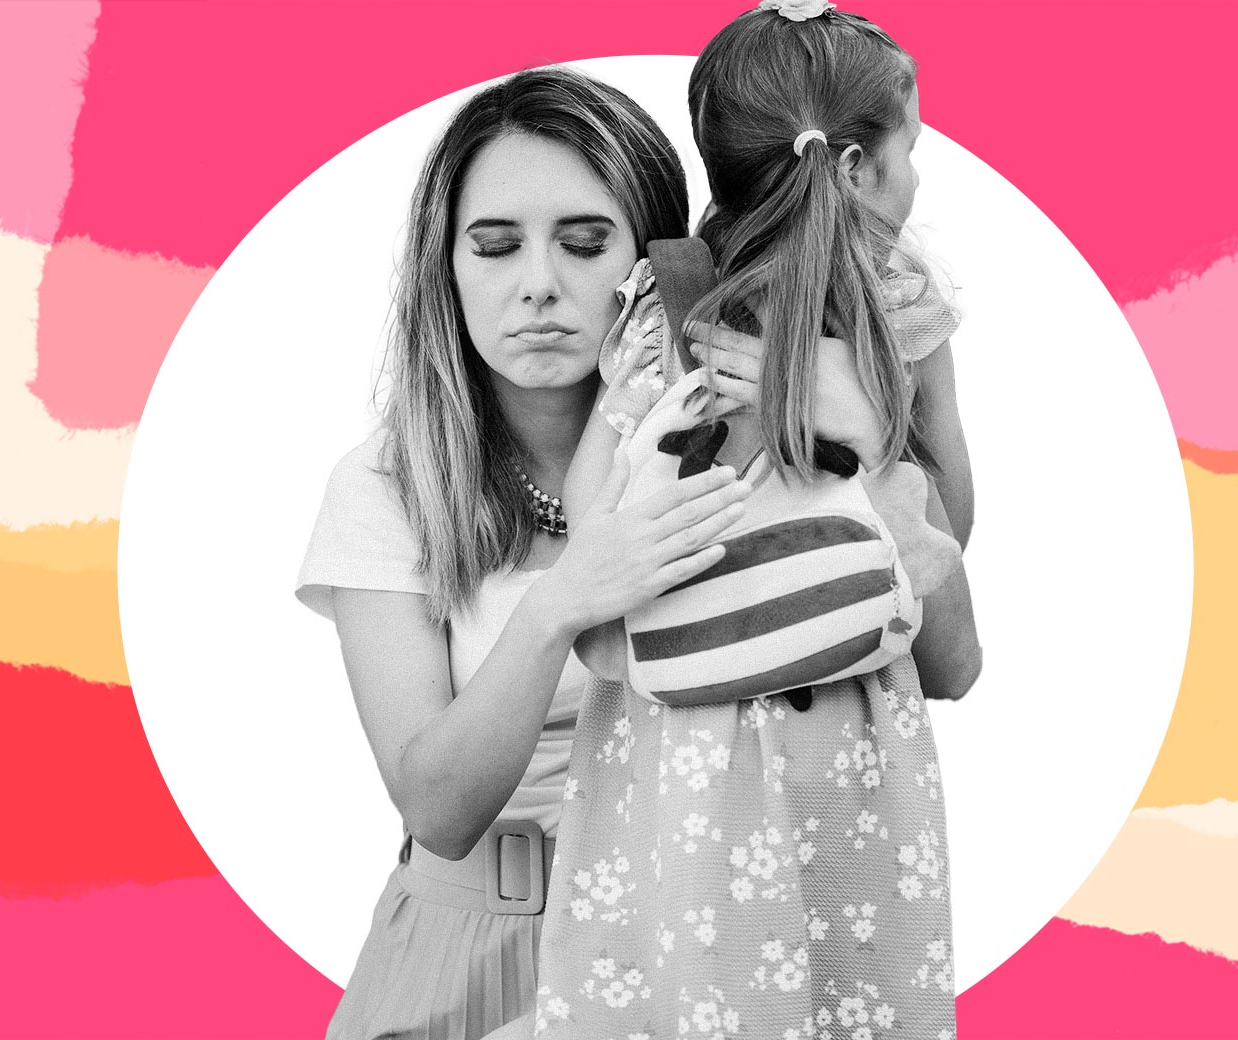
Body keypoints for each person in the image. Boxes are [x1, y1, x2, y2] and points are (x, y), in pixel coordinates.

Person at [523, 5, 979, 1038]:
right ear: (855, 168)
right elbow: (948, 535)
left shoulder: (662, 301)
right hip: (854, 757)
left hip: (674, 766)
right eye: (912, 148)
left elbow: (591, 530)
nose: (917, 176)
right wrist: (867, 438)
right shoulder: (901, 305)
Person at [295, 67, 755, 1040]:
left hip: (696, 936)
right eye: (495, 245)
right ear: (447, 268)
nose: (538, 283)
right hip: (468, 951)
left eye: (584, 244)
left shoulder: (729, 446)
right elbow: (437, 807)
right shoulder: (386, 485)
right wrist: (563, 600)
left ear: (652, 265)